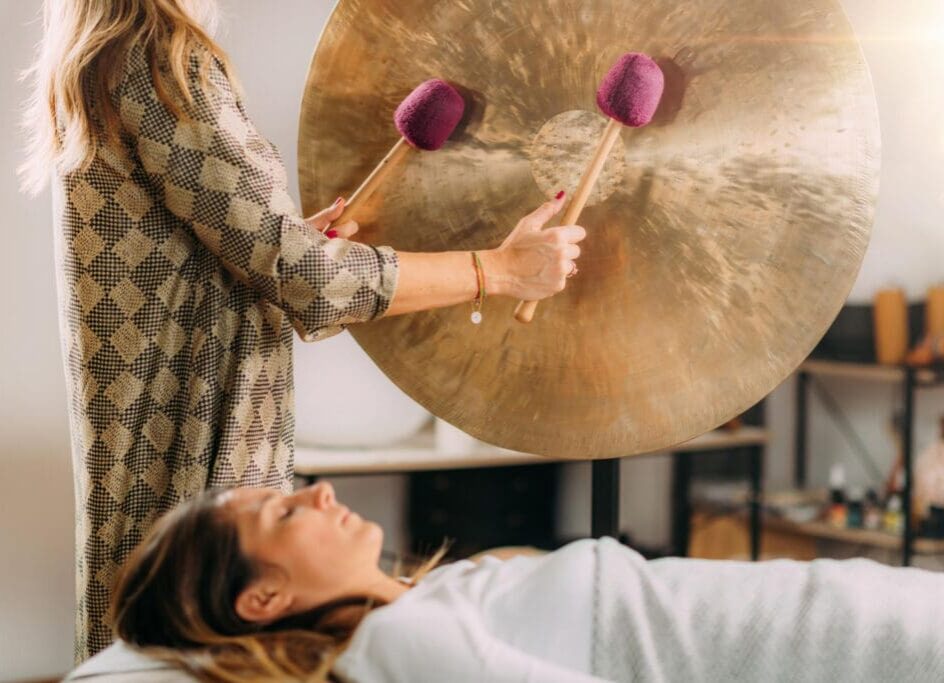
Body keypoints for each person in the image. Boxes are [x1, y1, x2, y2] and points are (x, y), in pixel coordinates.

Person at [19, 0, 585, 659]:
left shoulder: (107, 51)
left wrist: (294, 242)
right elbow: (309, 281)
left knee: (152, 644)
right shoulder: (154, 53)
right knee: (200, 647)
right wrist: (499, 269)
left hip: (152, 435)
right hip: (196, 446)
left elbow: (198, 259)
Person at [104, 481, 944, 683]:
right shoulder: (398, 642)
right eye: (286, 511)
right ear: (263, 600)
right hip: (819, 641)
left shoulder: (415, 609)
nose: (319, 490)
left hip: (809, 610)